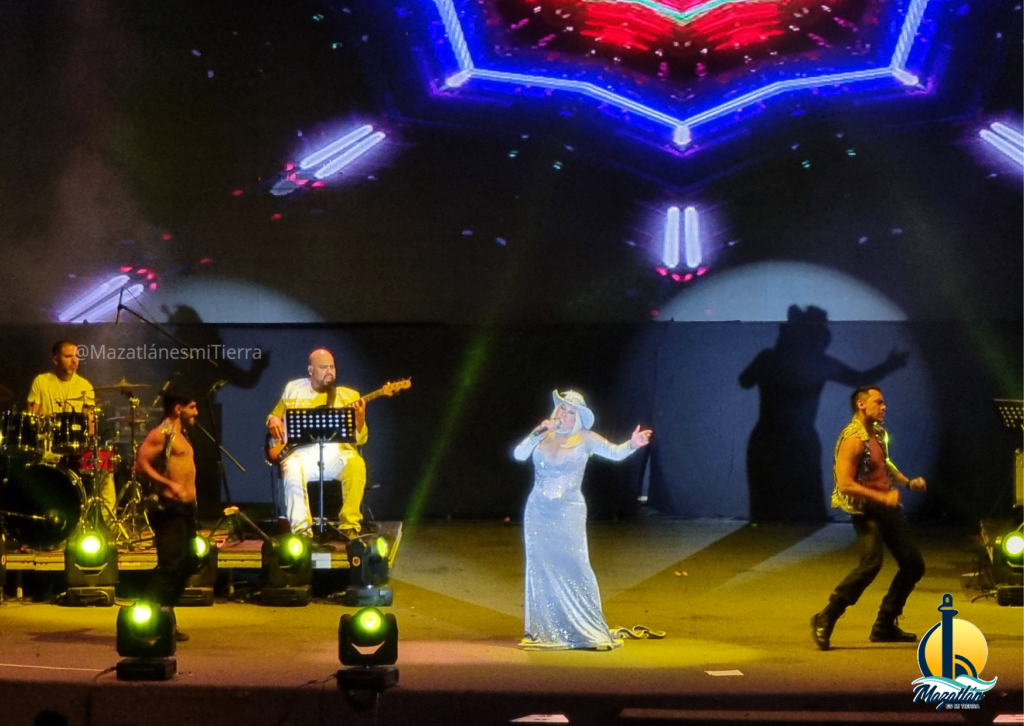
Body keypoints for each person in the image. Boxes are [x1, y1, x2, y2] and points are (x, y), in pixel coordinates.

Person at [513, 390, 652, 650]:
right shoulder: (543, 435)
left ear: (578, 417)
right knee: (540, 567)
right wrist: (537, 432)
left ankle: (586, 627)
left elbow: (615, 452)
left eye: (571, 412)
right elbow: (519, 455)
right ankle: (544, 629)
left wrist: (632, 444)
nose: (564, 415)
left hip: (569, 511)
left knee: (576, 566)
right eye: (562, 409)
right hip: (538, 511)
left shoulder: (586, 438)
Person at [811, 385, 927, 651]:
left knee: (913, 565)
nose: (884, 407)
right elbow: (845, 484)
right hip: (866, 511)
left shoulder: (877, 433)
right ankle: (826, 616)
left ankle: (885, 624)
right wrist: (882, 497)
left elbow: (883, 464)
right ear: (861, 405)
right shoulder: (852, 439)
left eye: (884, 403)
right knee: (871, 564)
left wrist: (908, 483)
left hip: (887, 508)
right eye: (878, 402)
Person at [266, 349, 367, 538]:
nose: (330, 371)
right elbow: (275, 415)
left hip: (336, 454)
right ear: (310, 370)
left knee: (357, 464)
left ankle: (349, 525)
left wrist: (360, 419)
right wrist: (273, 420)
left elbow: (360, 439)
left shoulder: (349, 396)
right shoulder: (294, 389)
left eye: (332, 367)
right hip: (302, 454)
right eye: (323, 367)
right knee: (291, 468)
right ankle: (301, 530)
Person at [134, 390, 199, 642]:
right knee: (171, 564)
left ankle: (164, 613)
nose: (196, 412)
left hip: (186, 508)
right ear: (178, 409)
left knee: (190, 561)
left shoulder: (183, 435)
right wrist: (168, 484)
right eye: (192, 407)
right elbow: (141, 463)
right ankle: (147, 611)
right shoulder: (161, 433)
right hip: (168, 508)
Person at [27, 341, 115, 521]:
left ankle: (107, 522)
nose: (74, 361)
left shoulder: (85, 385)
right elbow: (31, 417)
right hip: (47, 447)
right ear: (55, 359)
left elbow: (90, 423)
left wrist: (89, 440)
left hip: (76, 449)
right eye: (68, 356)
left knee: (105, 467)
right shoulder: (41, 381)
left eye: (77, 356)